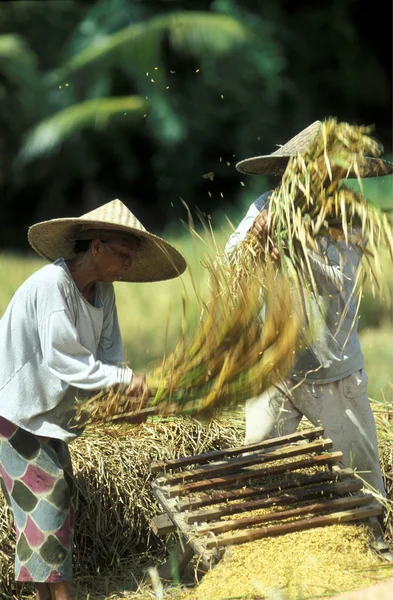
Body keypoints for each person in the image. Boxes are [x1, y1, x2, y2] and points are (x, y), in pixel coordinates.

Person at [0, 198, 186, 600]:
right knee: (49, 499)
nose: (128, 265)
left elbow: (108, 357)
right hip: (13, 411)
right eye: (122, 255)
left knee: (59, 499)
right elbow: (64, 361)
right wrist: (125, 380)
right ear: (96, 247)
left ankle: (46, 597)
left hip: (47, 413)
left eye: (131, 258)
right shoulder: (53, 286)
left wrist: (124, 400)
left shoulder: (103, 292)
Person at [226, 121, 393, 498]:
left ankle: (375, 544)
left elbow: (338, 282)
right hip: (276, 368)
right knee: (257, 469)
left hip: (334, 375)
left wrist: (297, 252)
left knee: (363, 484)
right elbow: (231, 261)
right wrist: (255, 238)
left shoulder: (348, 219)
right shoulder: (264, 207)